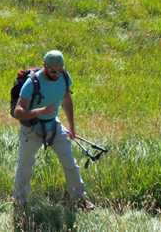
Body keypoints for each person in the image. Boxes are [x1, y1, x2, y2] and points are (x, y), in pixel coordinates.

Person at [12, 50, 94, 210]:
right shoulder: (31, 83)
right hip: (31, 129)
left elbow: (67, 101)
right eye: (53, 71)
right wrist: (40, 111)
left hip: (54, 126)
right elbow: (18, 112)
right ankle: (20, 202)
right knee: (25, 166)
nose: (56, 74)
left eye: (59, 70)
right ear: (44, 66)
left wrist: (71, 128)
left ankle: (79, 200)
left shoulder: (64, 77)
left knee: (70, 164)